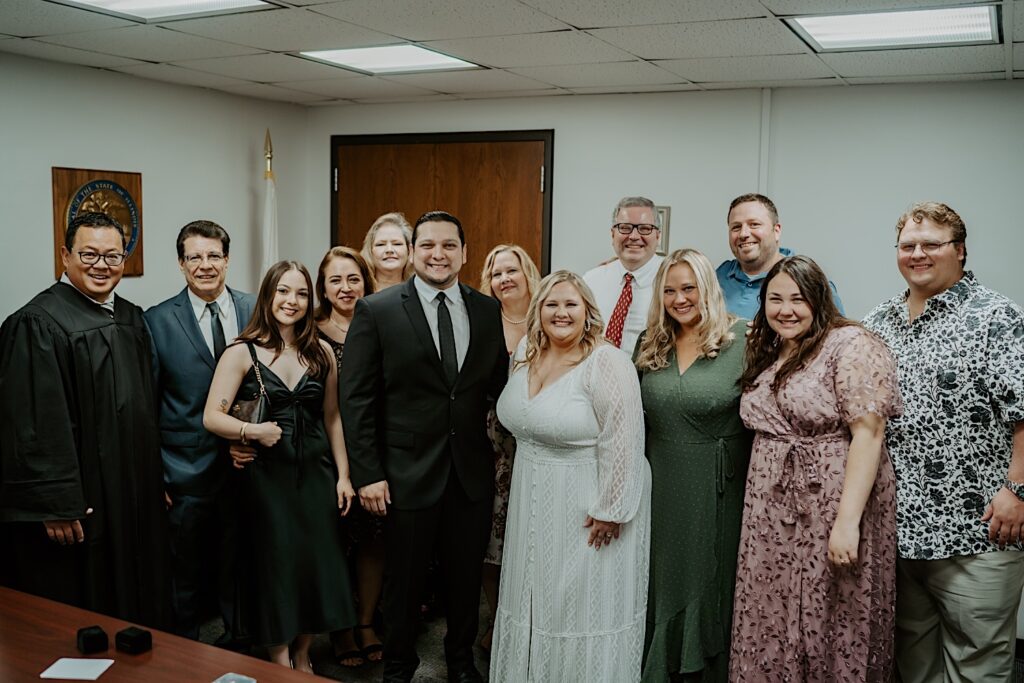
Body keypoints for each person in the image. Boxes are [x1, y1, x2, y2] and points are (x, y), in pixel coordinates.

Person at [339, 211, 509, 683]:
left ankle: (459, 663)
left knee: (464, 580)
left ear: (464, 252)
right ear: (414, 252)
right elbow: (355, 398)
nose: (439, 255)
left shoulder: (485, 309)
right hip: (403, 472)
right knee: (404, 582)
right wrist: (367, 472)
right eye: (428, 245)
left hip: (469, 471)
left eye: (449, 246)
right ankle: (398, 667)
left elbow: (496, 387)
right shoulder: (379, 309)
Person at [863, 202, 1024, 682]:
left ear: (960, 250)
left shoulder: (997, 316)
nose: (917, 254)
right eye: (908, 245)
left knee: (978, 666)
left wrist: (1017, 491)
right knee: (913, 665)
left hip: (978, 530)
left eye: (930, 244)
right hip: (900, 530)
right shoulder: (878, 321)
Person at [730, 255, 901, 681]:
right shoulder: (769, 345)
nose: (785, 309)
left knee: (832, 617)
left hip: (828, 503)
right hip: (770, 512)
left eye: (798, 299)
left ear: (820, 299)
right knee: (769, 614)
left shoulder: (853, 344)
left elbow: (869, 433)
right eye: (775, 299)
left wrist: (847, 523)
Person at [0, 211, 170, 628]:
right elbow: (31, 426)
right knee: (82, 608)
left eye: (112, 256)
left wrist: (154, 479)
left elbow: (144, 409)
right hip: (83, 499)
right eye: (89, 254)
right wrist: (55, 504)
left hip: (132, 489)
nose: (101, 265)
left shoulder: (131, 317)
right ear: (65, 255)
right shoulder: (37, 323)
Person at [490, 270, 652, 683]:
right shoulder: (527, 350)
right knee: (533, 596)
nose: (561, 313)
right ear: (538, 311)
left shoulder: (608, 362)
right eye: (551, 304)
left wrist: (611, 510)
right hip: (532, 494)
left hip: (586, 501)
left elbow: (625, 439)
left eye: (571, 305)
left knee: (578, 605)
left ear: (587, 312)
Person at [203, 260, 356, 672]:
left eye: (302, 293)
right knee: (275, 567)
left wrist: (343, 475)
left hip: (317, 475)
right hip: (266, 479)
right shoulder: (241, 352)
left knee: (315, 563)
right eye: (283, 291)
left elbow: (333, 417)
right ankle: (277, 657)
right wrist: (253, 434)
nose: (292, 301)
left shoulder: (321, 351)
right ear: (268, 296)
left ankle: (304, 652)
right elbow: (212, 417)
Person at [635, 249, 750, 683]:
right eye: (669, 290)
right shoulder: (649, 343)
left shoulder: (747, 340)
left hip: (716, 486)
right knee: (659, 580)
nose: (679, 299)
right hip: (659, 480)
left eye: (689, 288)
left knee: (707, 580)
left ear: (708, 289)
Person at [144, 220, 255, 642]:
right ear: (181, 263)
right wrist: (155, 474)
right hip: (183, 469)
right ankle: (182, 650)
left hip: (246, 465)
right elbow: (148, 405)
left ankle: (239, 643)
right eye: (195, 257)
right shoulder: (156, 320)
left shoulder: (255, 308)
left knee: (240, 564)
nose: (205, 265)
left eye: (213, 256)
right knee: (184, 570)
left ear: (227, 260)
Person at [314, 245, 385, 667]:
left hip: (374, 446)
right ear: (323, 287)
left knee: (374, 538)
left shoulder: (381, 322)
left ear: (366, 281)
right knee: (334, 540)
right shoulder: (310, 329)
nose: (345, 287)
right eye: (335, 279)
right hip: (325, 450)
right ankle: (339, 628)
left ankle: (365, 621)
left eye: (353, 278)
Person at [477, 243, 541, 652]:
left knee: (533, 533)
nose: (504, 279)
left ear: (527, 273)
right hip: (490, 444)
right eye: (496, 273)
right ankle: (497, 620)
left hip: (538, 440)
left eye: (511, 270)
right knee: (492, 538)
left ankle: (532, 620)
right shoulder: (482, 320)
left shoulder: (546, 316)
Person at [715, 193, 843, 319]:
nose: (743, 234)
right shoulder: (718, 276)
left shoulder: (810, 280)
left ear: (776, 231)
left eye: (754, 224)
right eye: (736, 227)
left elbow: (840, 336)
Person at [583, 196, 664, 353]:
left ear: (658, 236)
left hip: (651, 374)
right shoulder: (591, 281)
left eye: (645, 228)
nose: (634, 236)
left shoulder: (673, 279)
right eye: (625, 227)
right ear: (613, 234)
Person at [361, 212, 413, 290]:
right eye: (381, 244)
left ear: (409, 250)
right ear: (370, 251)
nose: (389, 250)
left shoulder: (420, 292)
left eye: (397, 244)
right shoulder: (360, 291)